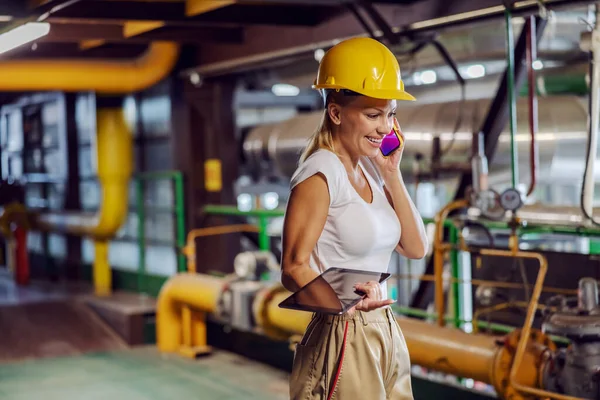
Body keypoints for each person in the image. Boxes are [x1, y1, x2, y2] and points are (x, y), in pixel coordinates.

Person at [280, 37, 429, 400]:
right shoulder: (321, 173)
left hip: (384, 327)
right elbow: (294, 266)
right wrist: (344, 303)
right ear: (336, 112)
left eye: (391, 113)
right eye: (373, 114)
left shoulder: (372, 170)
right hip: (343, 329)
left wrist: (392, 173)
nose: (385, 128)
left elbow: (415, 247)